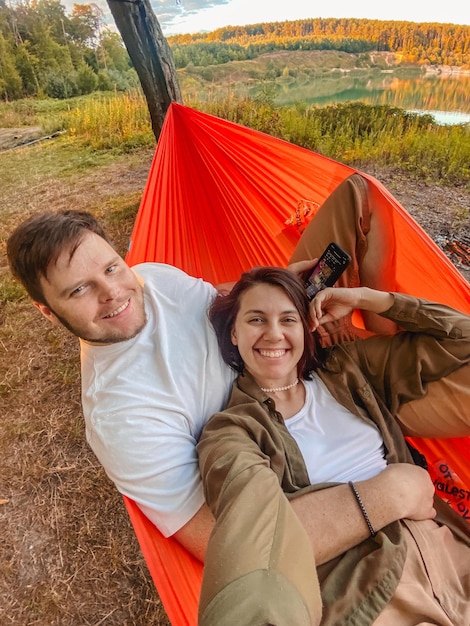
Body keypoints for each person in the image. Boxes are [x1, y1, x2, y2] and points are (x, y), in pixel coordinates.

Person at [6, 174, 469, 565]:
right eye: (80, 290)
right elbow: (226, 543)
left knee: (360, 194)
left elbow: (212, 299)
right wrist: (391, 495)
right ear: (47, 310)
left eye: (111, 267)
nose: (114, 293)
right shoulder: (122, 414)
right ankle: (386, 340)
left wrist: (285, 287)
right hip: (335, 402)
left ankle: (374, 323)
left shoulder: (151, 278)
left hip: (310, 352)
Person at [197, 267, 470, 626]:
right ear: (234, 333)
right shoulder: (232, 432)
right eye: (256, 319)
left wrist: (368, 299)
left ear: (305, 326)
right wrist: (395, 491)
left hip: (452, 556)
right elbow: (258, 543)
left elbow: (462, 340)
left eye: (288, 319)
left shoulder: (348, 370)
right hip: (374, 597)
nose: (274, 333)